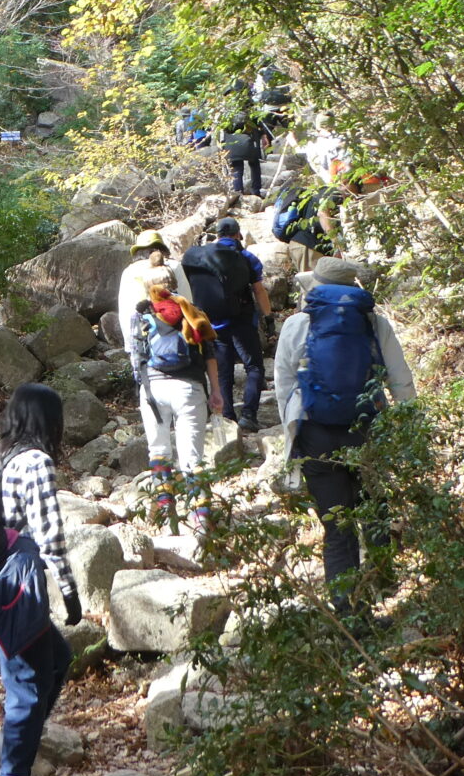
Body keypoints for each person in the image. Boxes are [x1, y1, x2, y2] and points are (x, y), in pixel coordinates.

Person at [273, 258, 417, 619]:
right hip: (368, 427)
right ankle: (384, 587)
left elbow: (284, 384)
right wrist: (410, 430)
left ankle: (350, 612)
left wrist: (293, 431)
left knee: (337, 527)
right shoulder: (373, 322)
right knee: (375, 510)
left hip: (316, 432)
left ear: (315, 286)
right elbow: (400, 379)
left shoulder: (297, 324)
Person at [0, 384, 78, 776]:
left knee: (55, 659)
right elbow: (48, 534)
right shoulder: (36, 462)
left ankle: (10, 739)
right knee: (29, 682)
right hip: (18, 587)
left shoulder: (1, 456)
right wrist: (69, 591)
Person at [131, 286, 214, 528]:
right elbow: (210, 355)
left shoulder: (141, 316)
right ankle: (201, 519)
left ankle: (167, 514)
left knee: (159, 452)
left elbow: (135, 356)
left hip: (153, 390)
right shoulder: (193, 313)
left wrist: (141, 387)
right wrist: (216, 392)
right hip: (189, 389)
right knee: (192, 458)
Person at [181, 217, 272, 433]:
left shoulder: (202, 258)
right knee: (254, 367)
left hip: (213, 324)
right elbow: (259, 290)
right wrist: (268, 318)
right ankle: (249, 415)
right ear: (238, 235)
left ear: (218, 235)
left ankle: (229, 417)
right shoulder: (246, 257)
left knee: (224, 372)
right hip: (242, 322)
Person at [222, 111, 266, 196]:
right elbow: (257, 130)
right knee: (255, 164)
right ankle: (256, 190)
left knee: (236, 169)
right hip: (247, 144)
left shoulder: (226, 117)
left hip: (231, 145)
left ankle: (238, 193)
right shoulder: (250, 116)